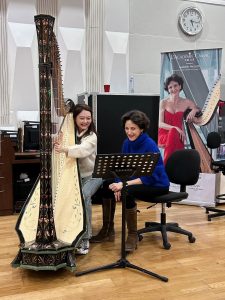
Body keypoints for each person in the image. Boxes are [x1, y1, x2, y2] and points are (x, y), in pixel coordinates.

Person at [91, 110, 170, 252]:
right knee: (106, 186)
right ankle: (108, 230)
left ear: (141, 128)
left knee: (127, 191)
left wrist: (123, 185)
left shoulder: (150, 145)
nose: (129, 132)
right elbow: (121, 168)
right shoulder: (127, 143)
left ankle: (133, 234)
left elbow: (151, 177)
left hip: (156, 184)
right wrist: (117, 183)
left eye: (133, 128)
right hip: (134, 182)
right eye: (127, 128)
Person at [54, 102, 102, 255]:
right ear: (74, 118)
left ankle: (86, 237)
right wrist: (56, 141)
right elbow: (57, 140)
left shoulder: (92, 136)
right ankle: (68, 232)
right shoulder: (70, 132)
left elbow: (82, 150)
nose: (85, 121)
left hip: (93, 176)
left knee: (83, 197)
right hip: (74, 176)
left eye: (88, 118)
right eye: (82, 118)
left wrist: (65, 149)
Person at [158, 73, 202, 165]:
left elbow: (197, 109)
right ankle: (167, 168)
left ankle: (169, 169)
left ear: (180, 86)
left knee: (175, 136)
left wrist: (194, 110)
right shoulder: (164, 102)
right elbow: (160, 124)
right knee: (173, 132)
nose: (173, 89)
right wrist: (176, 128)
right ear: (167, 89)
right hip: (164, 134)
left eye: (175, 86)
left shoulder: (187, 102)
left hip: (178, 135)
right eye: (170, 87)